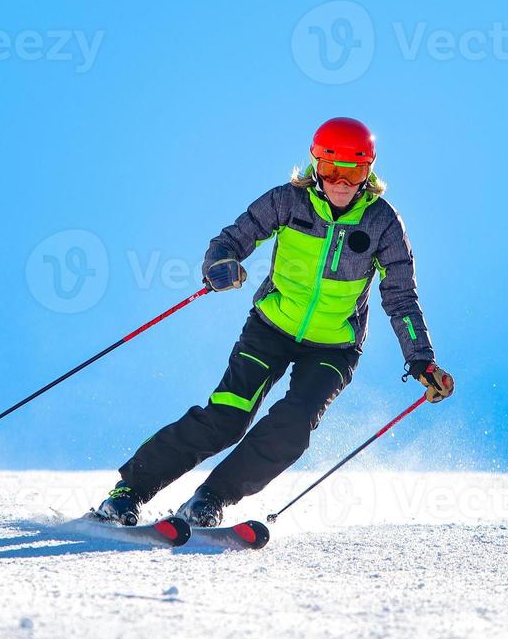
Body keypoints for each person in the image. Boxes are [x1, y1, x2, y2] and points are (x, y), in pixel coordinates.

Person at [90, 117, 454, 527]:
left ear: (368, 172)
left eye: (353, 171)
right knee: (227, 417)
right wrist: (221, 265)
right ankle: (128, 491)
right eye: (332, 169)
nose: (341, 182)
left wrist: (421, 360)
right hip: (270, 328)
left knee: (293, 426)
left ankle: (210, 498)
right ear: (316, 165)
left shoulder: (382, 223)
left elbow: (401, 296)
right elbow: (230, 240)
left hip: (334, 347)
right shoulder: (288, 201)